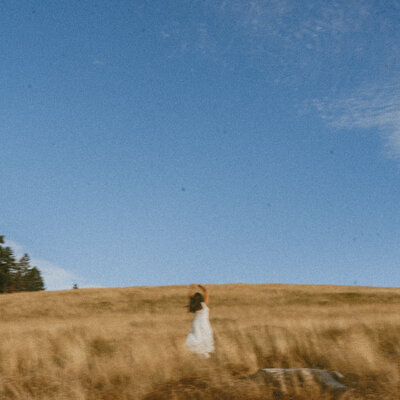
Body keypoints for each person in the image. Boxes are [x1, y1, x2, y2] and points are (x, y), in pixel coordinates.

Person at [185, 283, 214, 358]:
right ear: (201, 299)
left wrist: (192, 288)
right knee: (205, 339)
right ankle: (206, 356)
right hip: (204, 324)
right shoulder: (204, 305)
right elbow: (206, 291)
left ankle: (196, 355)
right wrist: (200, 286)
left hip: (196, 324)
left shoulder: (194, 306)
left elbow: (190, 297)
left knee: (196, 339)